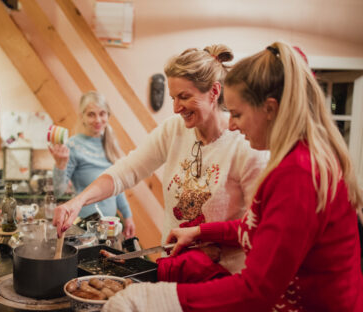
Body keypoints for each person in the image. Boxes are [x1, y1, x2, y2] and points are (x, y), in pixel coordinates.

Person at [102, 41, 363, 311]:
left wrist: (161, 299)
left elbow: (256, 290)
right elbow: (260, 227)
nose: (233, 124)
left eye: (237, 113)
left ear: (270, 110)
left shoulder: (298, 173)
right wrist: (201, 231)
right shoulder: (293, 161)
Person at [53, 45, 268, 279]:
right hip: (173, 268)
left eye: (184, 97)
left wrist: (208, 240)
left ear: (214, 91)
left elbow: (258, 227)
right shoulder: (173, 130)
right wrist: (78, 200)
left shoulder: (245, 144)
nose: (176, 108)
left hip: (223, 277)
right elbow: (127, 170)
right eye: (174, 98)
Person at [48, 91, 136, 238]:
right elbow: (59, 191)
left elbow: (117, 186)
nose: (98, 119)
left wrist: (128, 216)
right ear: (82, 117)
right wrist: (60, 165)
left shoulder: (111, 144)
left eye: (102, 113)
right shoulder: (72, 146)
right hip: (85, 230)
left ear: (108, 115)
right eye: (91, 114)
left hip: (110, 228)